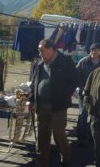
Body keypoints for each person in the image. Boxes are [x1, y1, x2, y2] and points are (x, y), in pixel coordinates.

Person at [28, 39, 79, 167]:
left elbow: (75, 80)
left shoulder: (65, 61)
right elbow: (34, 83)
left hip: (58, 106)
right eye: (39, 51)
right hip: (42, 106)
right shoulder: (40, 64)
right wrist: (31, 99)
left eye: (42, 50)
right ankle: (41, 163)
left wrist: (63, 94)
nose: (40, 53)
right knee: (42, 136)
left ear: (51, 50)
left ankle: (65, 158)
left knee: (58, 134)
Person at [75, 43, 100, 146]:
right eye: (91, 50)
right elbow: (76, 75)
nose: (93, 52)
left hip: (97, 94)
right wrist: (79, 87)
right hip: (83, 92)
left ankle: (91, 136)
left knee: (94, 115)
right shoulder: (83, 62)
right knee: (83, 114)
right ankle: (81, 137)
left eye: (95, 50)